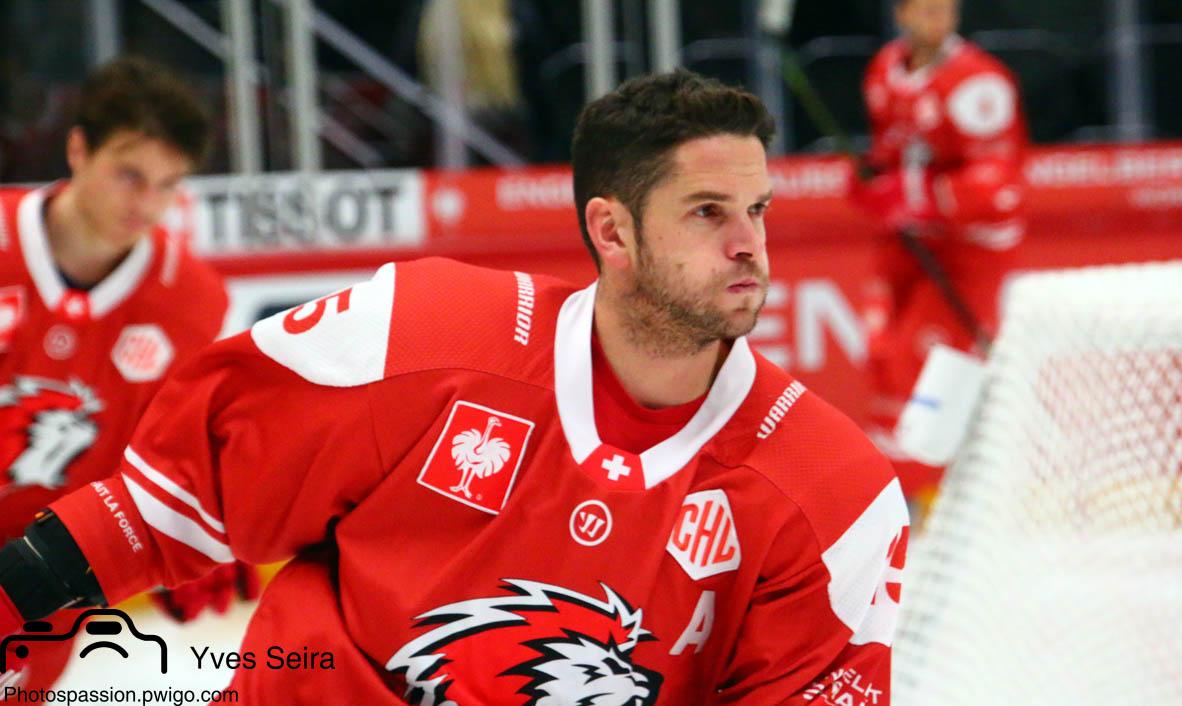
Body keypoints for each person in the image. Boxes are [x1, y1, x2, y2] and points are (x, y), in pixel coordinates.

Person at [0, 70, 908, 704]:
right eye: (708, 212)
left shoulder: (832, 498)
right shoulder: (426, 334)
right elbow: (171, 497)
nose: (750, 244)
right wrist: (18, 594)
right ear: (613, 231)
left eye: (758, 210)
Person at [0, 57, 255, 696]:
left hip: (49, 578)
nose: (147, 204)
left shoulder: (194, 302)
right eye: (130, 175)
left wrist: (184, 531)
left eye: (168, 184)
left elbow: (182, 448)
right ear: (77, 148)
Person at [854, 0, 1029, 507]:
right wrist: (870, 180)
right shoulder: (884, 70)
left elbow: (1000, 186)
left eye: (946, 8)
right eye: (926, 8)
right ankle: (894, 490)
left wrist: (915, 194)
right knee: (882, 352)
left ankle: (937, 494)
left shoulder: (979, 84)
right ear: (901, 13)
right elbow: (889, 153)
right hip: (907, 241)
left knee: (923, 359)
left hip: (966, 248)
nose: (938, 17)